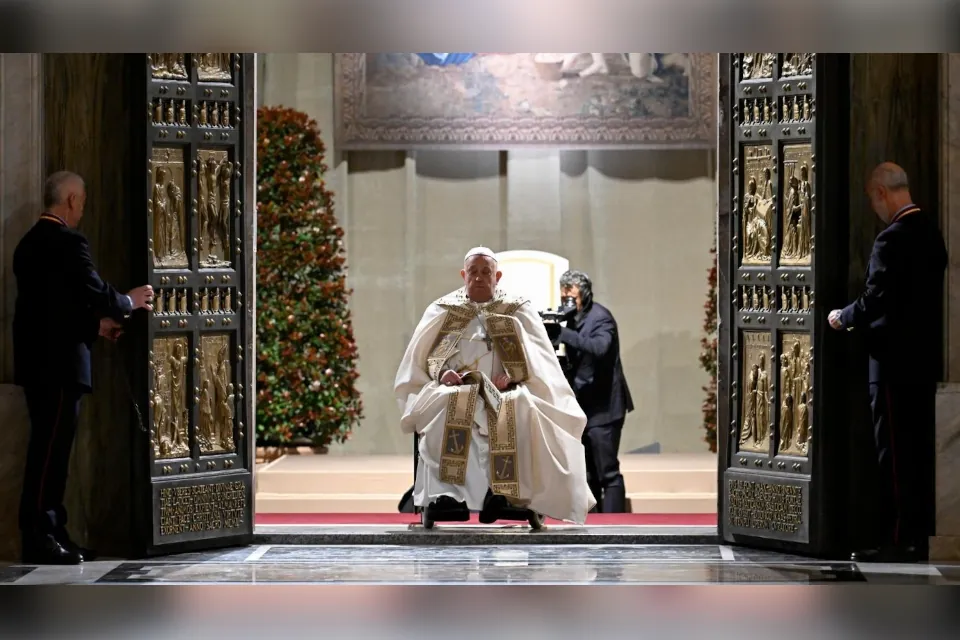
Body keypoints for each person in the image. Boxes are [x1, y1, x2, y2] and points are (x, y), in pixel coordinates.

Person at [394, 247, 595, 525]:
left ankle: (507, 496)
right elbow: (425, 358)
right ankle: (447, 497)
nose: (478, 277)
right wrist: (441, 373)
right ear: (464, 275)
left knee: (521, 408)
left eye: (485, 272)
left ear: (497, 276)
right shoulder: (444, 309)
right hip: (456, 388)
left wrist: (514, 375)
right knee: (442, 405)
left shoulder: (517, 308)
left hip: (505, 390)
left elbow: (539, 360)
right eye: (473, 272)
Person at [13, 171, 154, 564]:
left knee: (50, 453)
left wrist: (95, 325)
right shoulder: (67, 242)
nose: (83, 210)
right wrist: (128, 302)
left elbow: (53, 311)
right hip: (58, 368)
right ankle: (40, 535)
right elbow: (93, 290)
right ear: (72, 200)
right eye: (84, 202)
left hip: (38, 363)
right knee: (50, 455)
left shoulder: (28, 243)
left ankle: (52, 532)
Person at [828, 162, 947, 563]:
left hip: (892, 366)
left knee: (893, 456)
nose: (873, 207)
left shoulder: (891, 240)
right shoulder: (931, 233)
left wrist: (842, 317)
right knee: (917, 454)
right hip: (924, 363)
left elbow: (874, 300)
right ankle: (915, 536)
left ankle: (898, 540)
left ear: (881, 191)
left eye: (871, 199)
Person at [547, 270, 634, 513]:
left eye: (571, 297)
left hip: (605, 408)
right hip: (583, 406)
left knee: (608, 472)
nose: (566, 301)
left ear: (583, 294)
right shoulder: (571, 318)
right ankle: (594, 524)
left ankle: (616, 526)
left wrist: (564, 334)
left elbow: (599, 347)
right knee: (588, 473)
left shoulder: (601, 318)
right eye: (563, 295)